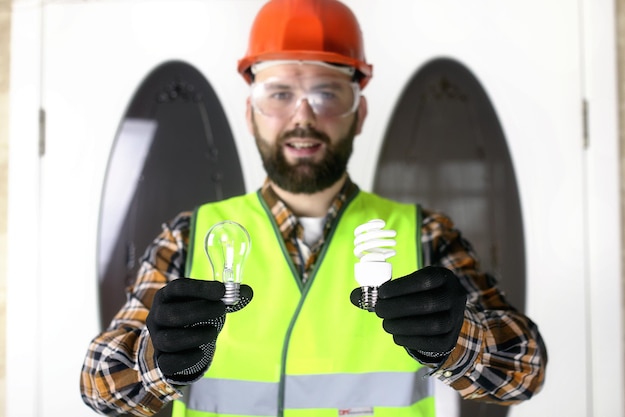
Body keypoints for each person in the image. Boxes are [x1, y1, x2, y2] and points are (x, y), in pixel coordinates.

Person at [80, 0, 547, 416]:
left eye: (326, 92)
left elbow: (526, 370)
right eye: (279, 93)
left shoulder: (424, 235)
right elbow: (99, 384)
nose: (303, 116)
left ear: (359, 114)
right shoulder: (190, 236)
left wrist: (458, 343)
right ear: (250, 114)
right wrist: (156, 358)